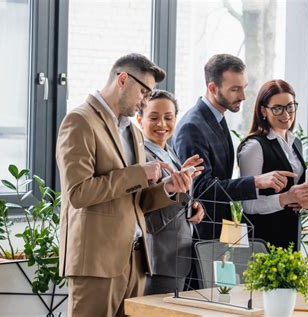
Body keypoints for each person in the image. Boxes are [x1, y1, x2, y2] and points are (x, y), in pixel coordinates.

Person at [56, 53, 195, 317]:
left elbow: (137, 201)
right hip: (95, 263)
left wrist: (169, 189)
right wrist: (138, 174)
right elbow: (78, 193)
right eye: (143, 92)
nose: (145, 101)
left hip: (135, 261)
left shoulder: (131, 131)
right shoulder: (79, 121)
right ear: (122, 79)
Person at [173, 54, 295, 239]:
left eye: (243, 88)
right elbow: (201, 189)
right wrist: (256, 182)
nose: (243, 96)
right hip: (201, 234)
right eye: (235, 89)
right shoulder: (193, 127)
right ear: (212, 88)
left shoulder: (216, 118)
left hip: (219, 231)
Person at [136, 90, 205, 295]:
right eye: (154, 118)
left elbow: (175, 200)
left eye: (168, 117)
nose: (162, 124)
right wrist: (176, 189)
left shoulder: (169, 151)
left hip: (178, 256)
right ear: (140, 119)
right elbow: (145, 214)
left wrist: (192, 206)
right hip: (159, 260)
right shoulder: (141, 157)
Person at [237, 79, 308, 249]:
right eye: (277, 108)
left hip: (290, 237)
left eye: (290, 106)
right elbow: (248, 205)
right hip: (261, 240)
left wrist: (306, 203)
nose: (286, 114)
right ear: (263, 111)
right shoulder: (254, 147)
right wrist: (286, 198)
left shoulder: (296, 143)